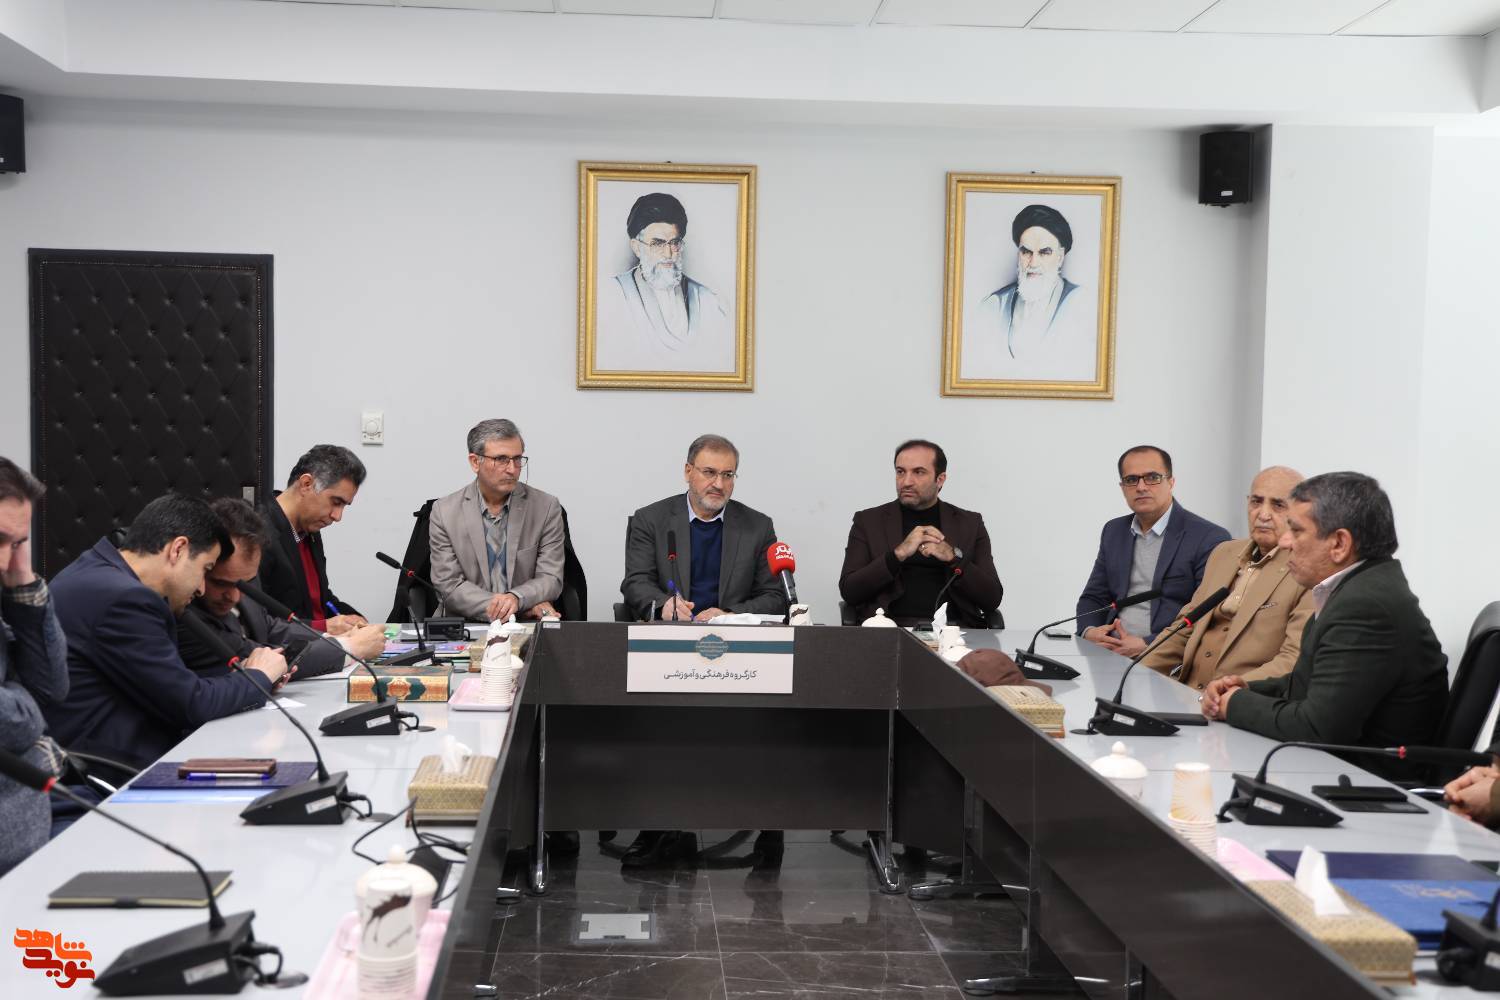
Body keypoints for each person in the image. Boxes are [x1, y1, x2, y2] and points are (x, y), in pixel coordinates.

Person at [1201, 472, 1448, 780]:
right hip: (1336, 771)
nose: (1285, 541)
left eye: (1295, 530)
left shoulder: (1366, 606)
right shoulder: (1357, 587)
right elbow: (1309, 685)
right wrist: (1244, 689)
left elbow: (1317, 728)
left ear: (1339, 544)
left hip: (1364, 785)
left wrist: (1235, 704)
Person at [44, 494, 288, 784]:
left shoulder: (95, 570)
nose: (201, 588)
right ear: (178, 550)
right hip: (114, 777)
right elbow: (190, 704)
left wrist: (243, 676)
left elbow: (168, 683)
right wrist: (258, 677)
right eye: (205, 569)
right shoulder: (125, 599)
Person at [1141, 467, 1314, 691]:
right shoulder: (1224, 553)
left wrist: (1229, 690)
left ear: (1299, 514)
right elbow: (1184, 628)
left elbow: (1292, 660)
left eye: (1278, 505)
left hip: (1241, 700)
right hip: (1184, 692)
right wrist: (1135, 673)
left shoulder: (1307, 570)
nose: (1263, 514)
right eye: (1256, 502)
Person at [178, 498, 384, 679]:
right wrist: (352, 647)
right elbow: (265, 658)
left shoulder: (241, 573)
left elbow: (267, 626)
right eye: (221, 583)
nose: (235, 597)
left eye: (245, 584)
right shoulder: (184, 614)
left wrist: (333, 639)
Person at [1076, 445, 1231, 656]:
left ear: (1171, 482)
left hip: (1166, 657)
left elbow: (1207, 613)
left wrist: (1148, 644)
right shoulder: (1114, 531)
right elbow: (1094, 597)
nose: (1141, 487)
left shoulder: (1208, 537)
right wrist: (1090, 632)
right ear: (1122, 487)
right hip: (1109, 651)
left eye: (1152, 478)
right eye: (1131, 480)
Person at [621, 434, 786, 622]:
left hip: (734, 634)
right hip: (670, 631)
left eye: (727, 475)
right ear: (688, 472)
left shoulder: (758, 527)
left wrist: (730, 616)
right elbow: (636, 582)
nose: (719, 484)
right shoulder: (651, 520)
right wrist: (663, 606)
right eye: (709, 472)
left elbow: (773, 595)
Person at [839, 439, 1003, 628]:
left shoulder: (970, 523)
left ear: (940, 479)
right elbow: (850, 591)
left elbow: (991, 598)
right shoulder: (868, 522)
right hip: (890, 628)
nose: (906, 482)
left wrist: (953, 557)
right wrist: (897, 555)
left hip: (954, 630)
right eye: (900, 472)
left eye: (918, 472)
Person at [0, 459, 68, 875]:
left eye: (18, 542)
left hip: (31, 841)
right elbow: (19, 720)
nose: (4, 560)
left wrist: (23, 584)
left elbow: (50, 689)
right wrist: (31, 731)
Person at [429, 419, 565, 622]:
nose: (512, 469)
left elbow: (551, 577)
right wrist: (505, 607)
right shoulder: (444, 512)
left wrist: (517, 598)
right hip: (467, 624)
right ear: (475, 462)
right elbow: (448, 585)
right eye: (501, 459)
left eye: (517, 459)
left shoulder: (546, 507)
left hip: (524, 621)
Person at [596, 192, 734, 374]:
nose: (669, 254)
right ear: (636, 247)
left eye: (674, 243)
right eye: (657, 244)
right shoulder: (613, 294)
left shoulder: (707, 300)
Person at [963, 203, 1095, 383]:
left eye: (1044, 253)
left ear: (1060, 257)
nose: (1033, 263)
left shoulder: (1081, 304)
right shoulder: (994, 306)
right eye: (1026, 252)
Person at [258, 444, 367, 634]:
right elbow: (258, 622)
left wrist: (352, 618)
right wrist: (324, 627)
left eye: (344, 506)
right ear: (306, 484)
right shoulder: (258, 533)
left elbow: (319, 600)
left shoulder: (310, 530)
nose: (337, 516)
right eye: (336, 502)